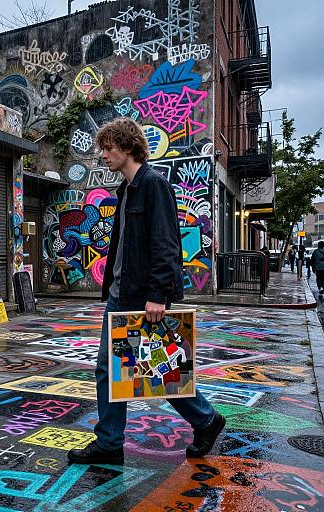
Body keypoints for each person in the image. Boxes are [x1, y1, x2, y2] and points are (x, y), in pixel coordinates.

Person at [67, 118, 225, 465]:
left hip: (142, 296)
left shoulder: (153, 185)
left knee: (158, 369)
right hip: (121, 295)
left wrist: (158, 295)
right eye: (103, 148)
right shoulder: (126, 189)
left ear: (126, 147)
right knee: (117, 370)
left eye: (108, 148)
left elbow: (166, 245)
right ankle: (111, 442)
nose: (103, 155)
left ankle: (206, 420)